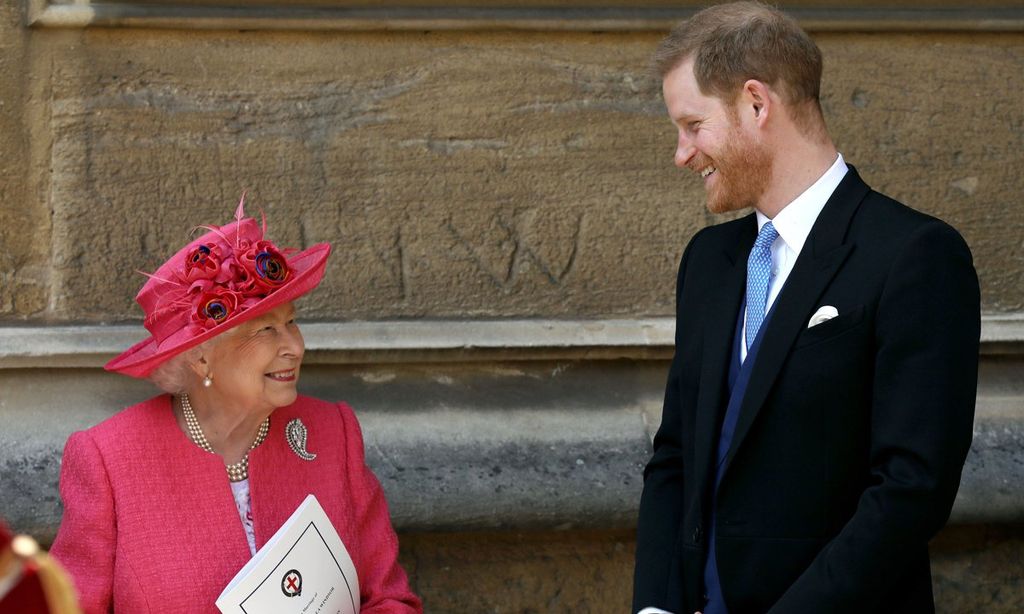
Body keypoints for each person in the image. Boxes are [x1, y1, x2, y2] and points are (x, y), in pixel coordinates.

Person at [632, 3, 980, 614]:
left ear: (756, 104)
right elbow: (675, 458)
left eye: (693, 125)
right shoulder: (709, 261)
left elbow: (911, 490)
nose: (681, 154)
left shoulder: (914, 256)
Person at [51, 198, 422, 613]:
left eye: (292, 322)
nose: (295, 347)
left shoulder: (333, 432)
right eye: (266, 330)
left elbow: (389, 599)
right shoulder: (109, 460)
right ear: (200, 357)